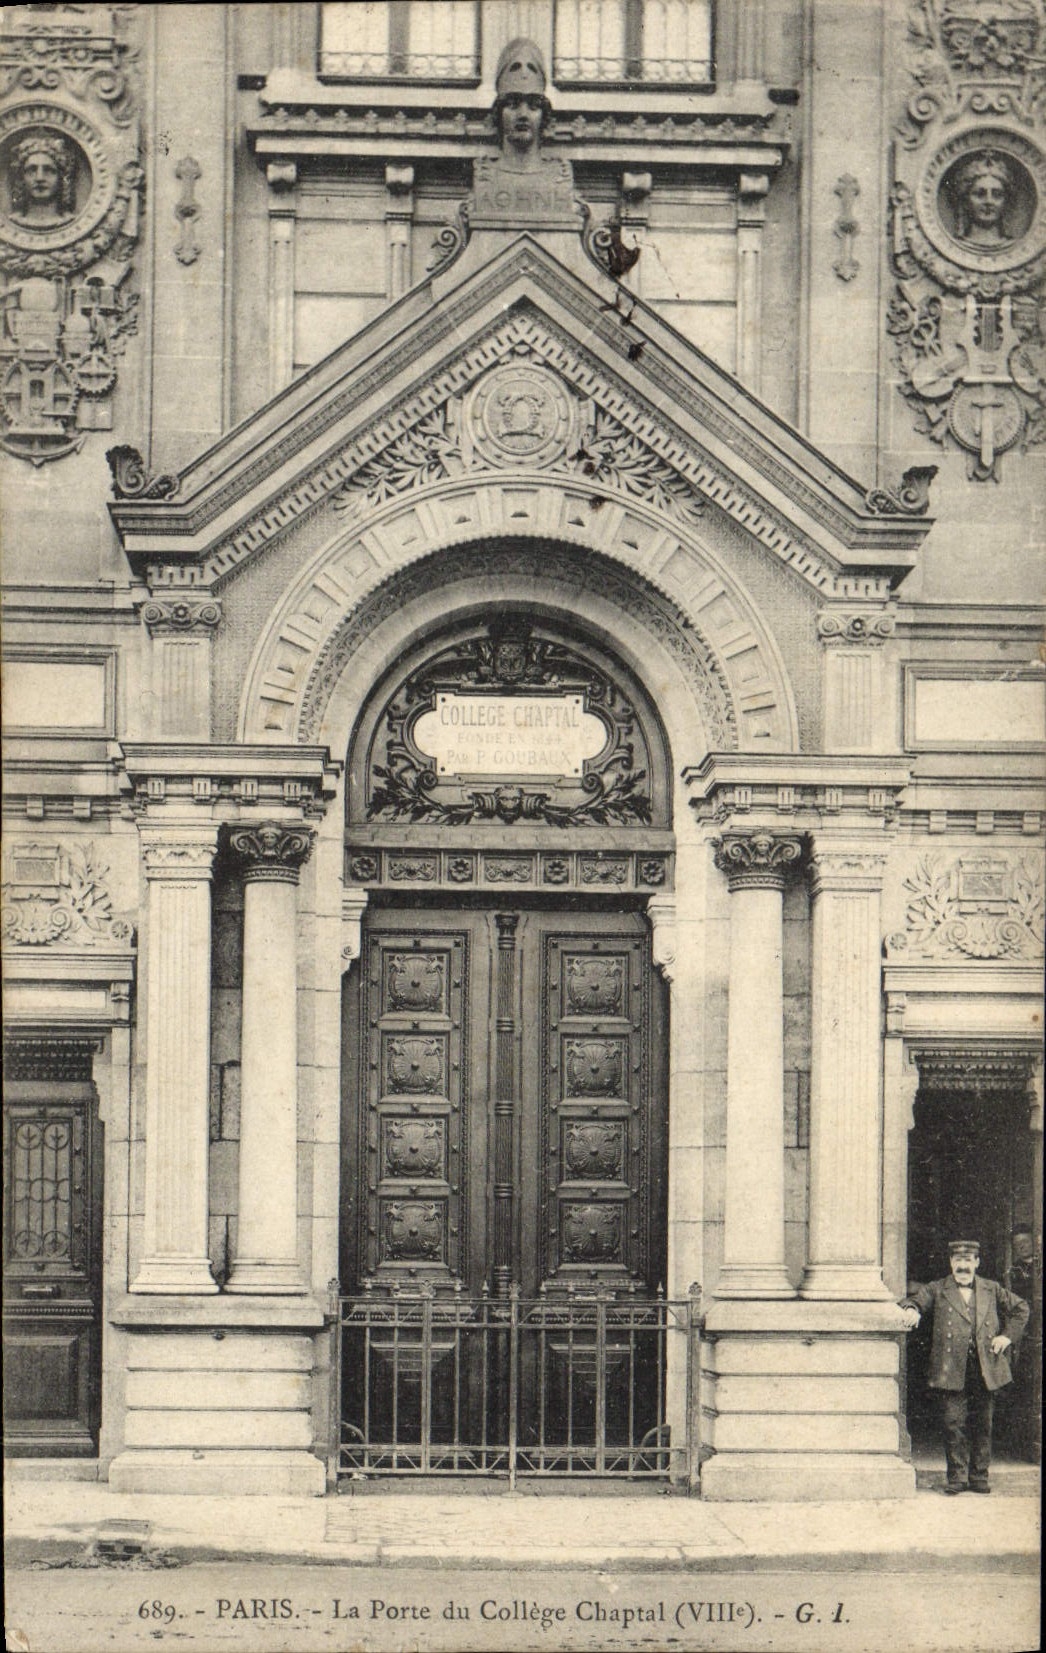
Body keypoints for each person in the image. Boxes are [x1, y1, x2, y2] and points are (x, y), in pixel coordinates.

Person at [900, 1240, 1029, 1494]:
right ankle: (957, 1478)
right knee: (953, 1423)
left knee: (983, 1424)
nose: (963, 1266)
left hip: (985, 1367)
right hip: (951, 1368)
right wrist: (912, 1310)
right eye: (958, 1261)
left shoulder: (991, 1289)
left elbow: (1021, 1308)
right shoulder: (938, 1288)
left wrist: (1006, 1336)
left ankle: (979, 1477)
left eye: (968, 1261)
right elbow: (914, 1301)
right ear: (951, 1263)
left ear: (977, 1263)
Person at [491, 38, 552, 172]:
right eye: (513, 104)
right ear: (498, 113)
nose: (523, 114)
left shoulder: (560, 176)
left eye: (533, 106)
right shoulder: (484, 173)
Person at [7, 132, 77, 227]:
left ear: (62, 177)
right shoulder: (10, 223)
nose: (39, 178)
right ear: (20, 179)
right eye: (31, 171)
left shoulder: (72, 223)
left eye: (49, 170)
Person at [951, 152, 1017, 248]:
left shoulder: (1015, 246)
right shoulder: (954, 246)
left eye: (997, 195)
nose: (989, 201)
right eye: (979, 194)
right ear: (965, 201)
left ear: (1006, 202)